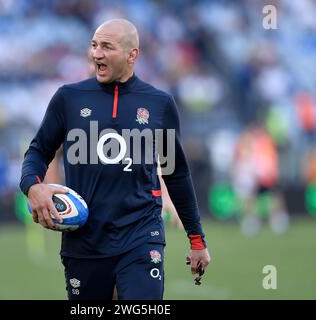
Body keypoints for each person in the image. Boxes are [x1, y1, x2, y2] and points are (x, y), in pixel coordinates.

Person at [20, 19, 210, 300]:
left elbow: (176, 174)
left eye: (107, 47)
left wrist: (196, 239)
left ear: (132, 55)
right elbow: (37, 151)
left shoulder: (159, 104)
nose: (96, 53)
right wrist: (32, 186)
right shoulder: (68, 98)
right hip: (84, 242)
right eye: (94, 45)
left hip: (141, 235)